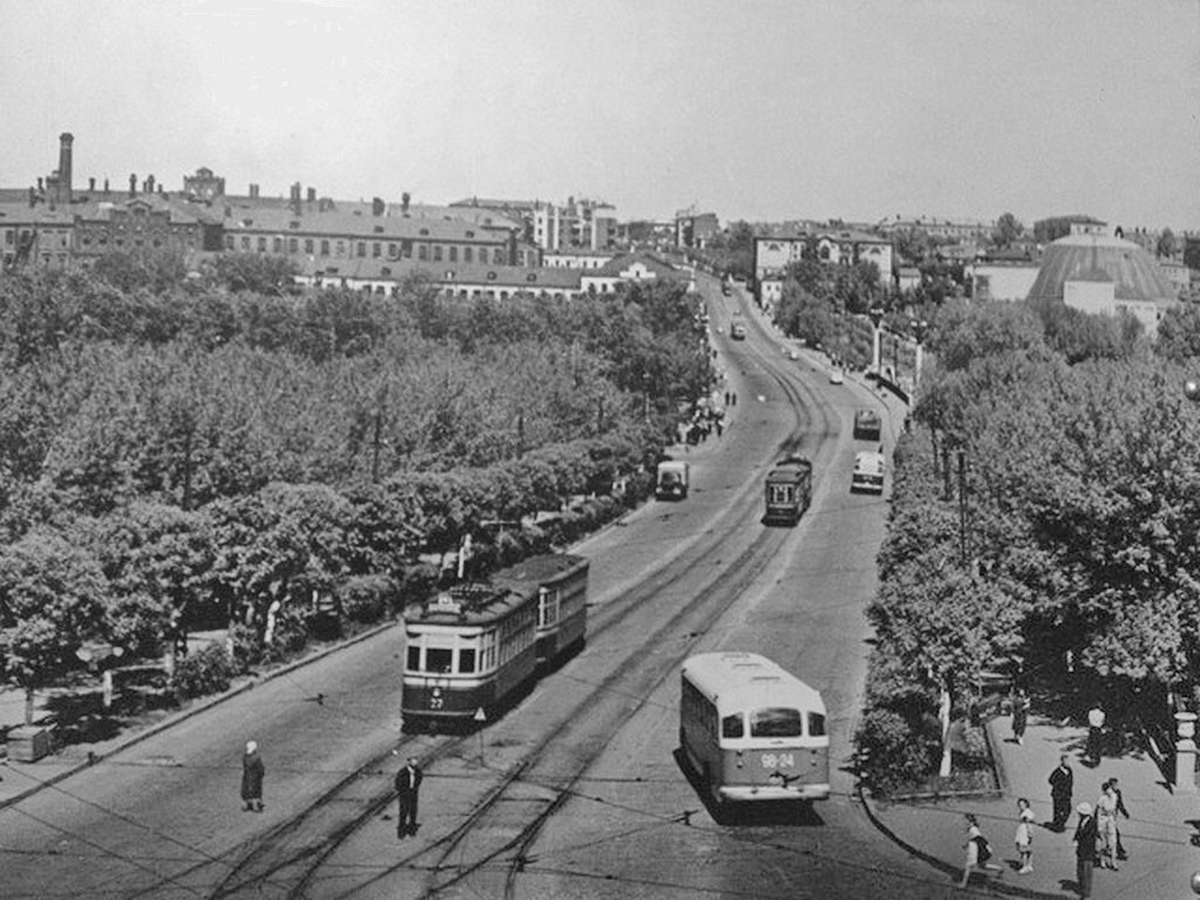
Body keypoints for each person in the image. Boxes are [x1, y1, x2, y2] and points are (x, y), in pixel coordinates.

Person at [959, 813, 1002, 888]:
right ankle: (999, 869)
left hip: (975, 849)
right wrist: (966, 844)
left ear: (971, 822)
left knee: (968, 866)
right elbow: (972, 838)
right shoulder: (971, 829)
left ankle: (963, 884)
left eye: (966, 822)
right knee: (982, 866)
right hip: (975, 847)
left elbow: (979, 838)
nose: (964, 824)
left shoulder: (973, 829)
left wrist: (980, 849)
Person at [1073, 801, 1098, 899]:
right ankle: (1082, 889)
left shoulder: (1092, 823)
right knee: (1080, 872)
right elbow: (1078, 831)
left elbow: (1088, 838)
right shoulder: (1082, 821)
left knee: (1087, 873)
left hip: (1088, 852)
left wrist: (1079, 840)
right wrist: (1075, 838)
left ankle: (1086, 895)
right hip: (1081, 851)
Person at [395, 756, 423, 838]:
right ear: (409, 762)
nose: (415, 763)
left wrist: (415, 787)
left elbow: (419, 778)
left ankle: (412, 829)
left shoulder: (418, 771)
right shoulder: (403, 772)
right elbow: (398, 782)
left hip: (413, 792)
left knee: (413, 810)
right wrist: (402, 790)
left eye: (416, 761)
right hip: (404, 793)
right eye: (413, 761)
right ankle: (402, 830)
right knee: (404, 810)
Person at [1095, 780, 1119, 869]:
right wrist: (1098, 825)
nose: (1110, 791)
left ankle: (1113, 861)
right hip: (1103, 820)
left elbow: (1114, 810)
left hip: (1111, 820)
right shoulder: (1102, 799)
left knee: (1113, 842)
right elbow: (1099, 812)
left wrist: (1114, 820)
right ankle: (1102, 861)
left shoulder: (1114, 796)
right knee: (1102, 842)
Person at [1049, 755, 1074, 831]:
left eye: (1068, 761)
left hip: (1067, 794)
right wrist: (1059, 786)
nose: (1067, 762)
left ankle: (1061, 823)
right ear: (1062, 761)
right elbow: (1050, 780)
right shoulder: (1057, 771)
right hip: (1058, 794)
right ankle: (1057, 825)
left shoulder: (1069, 770)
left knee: (1068, 809)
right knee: (1058, 810)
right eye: (1066, 761)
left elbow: (1071, 781)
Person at [1110, 777, 1130, 860]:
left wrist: (1125, 813)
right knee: (1115, 834)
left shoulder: (1118, 793)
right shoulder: (1107, 794)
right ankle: (1120, 852)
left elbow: (1120, 804)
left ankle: (1118, 850)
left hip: (1113, 817)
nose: (1115, 786)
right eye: (1114, 785)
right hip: (1107, 817)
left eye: (1116, 784)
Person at [241, 740, 264, 812]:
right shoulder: (256, 757)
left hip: (247, 775)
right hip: (255, 776)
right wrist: (261, 774)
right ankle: (256, 806)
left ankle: (245, 805)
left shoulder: (245, 757)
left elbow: (245, 766)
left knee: (246, 789)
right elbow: (260, 768)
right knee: (255, 790)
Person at [1014, 797, 1035, 874]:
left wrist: (1030, 833)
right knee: (1027, 849)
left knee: (1024, 851)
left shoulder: (1026, 813)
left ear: (1026, 804)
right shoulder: (1023, 812)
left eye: (1022, 804)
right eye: (1019, 805)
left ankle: (1025, 866)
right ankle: (1029, 865)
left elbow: (1028, 824)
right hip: (1022, 831)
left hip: (1024, 832)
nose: (1021, 806)